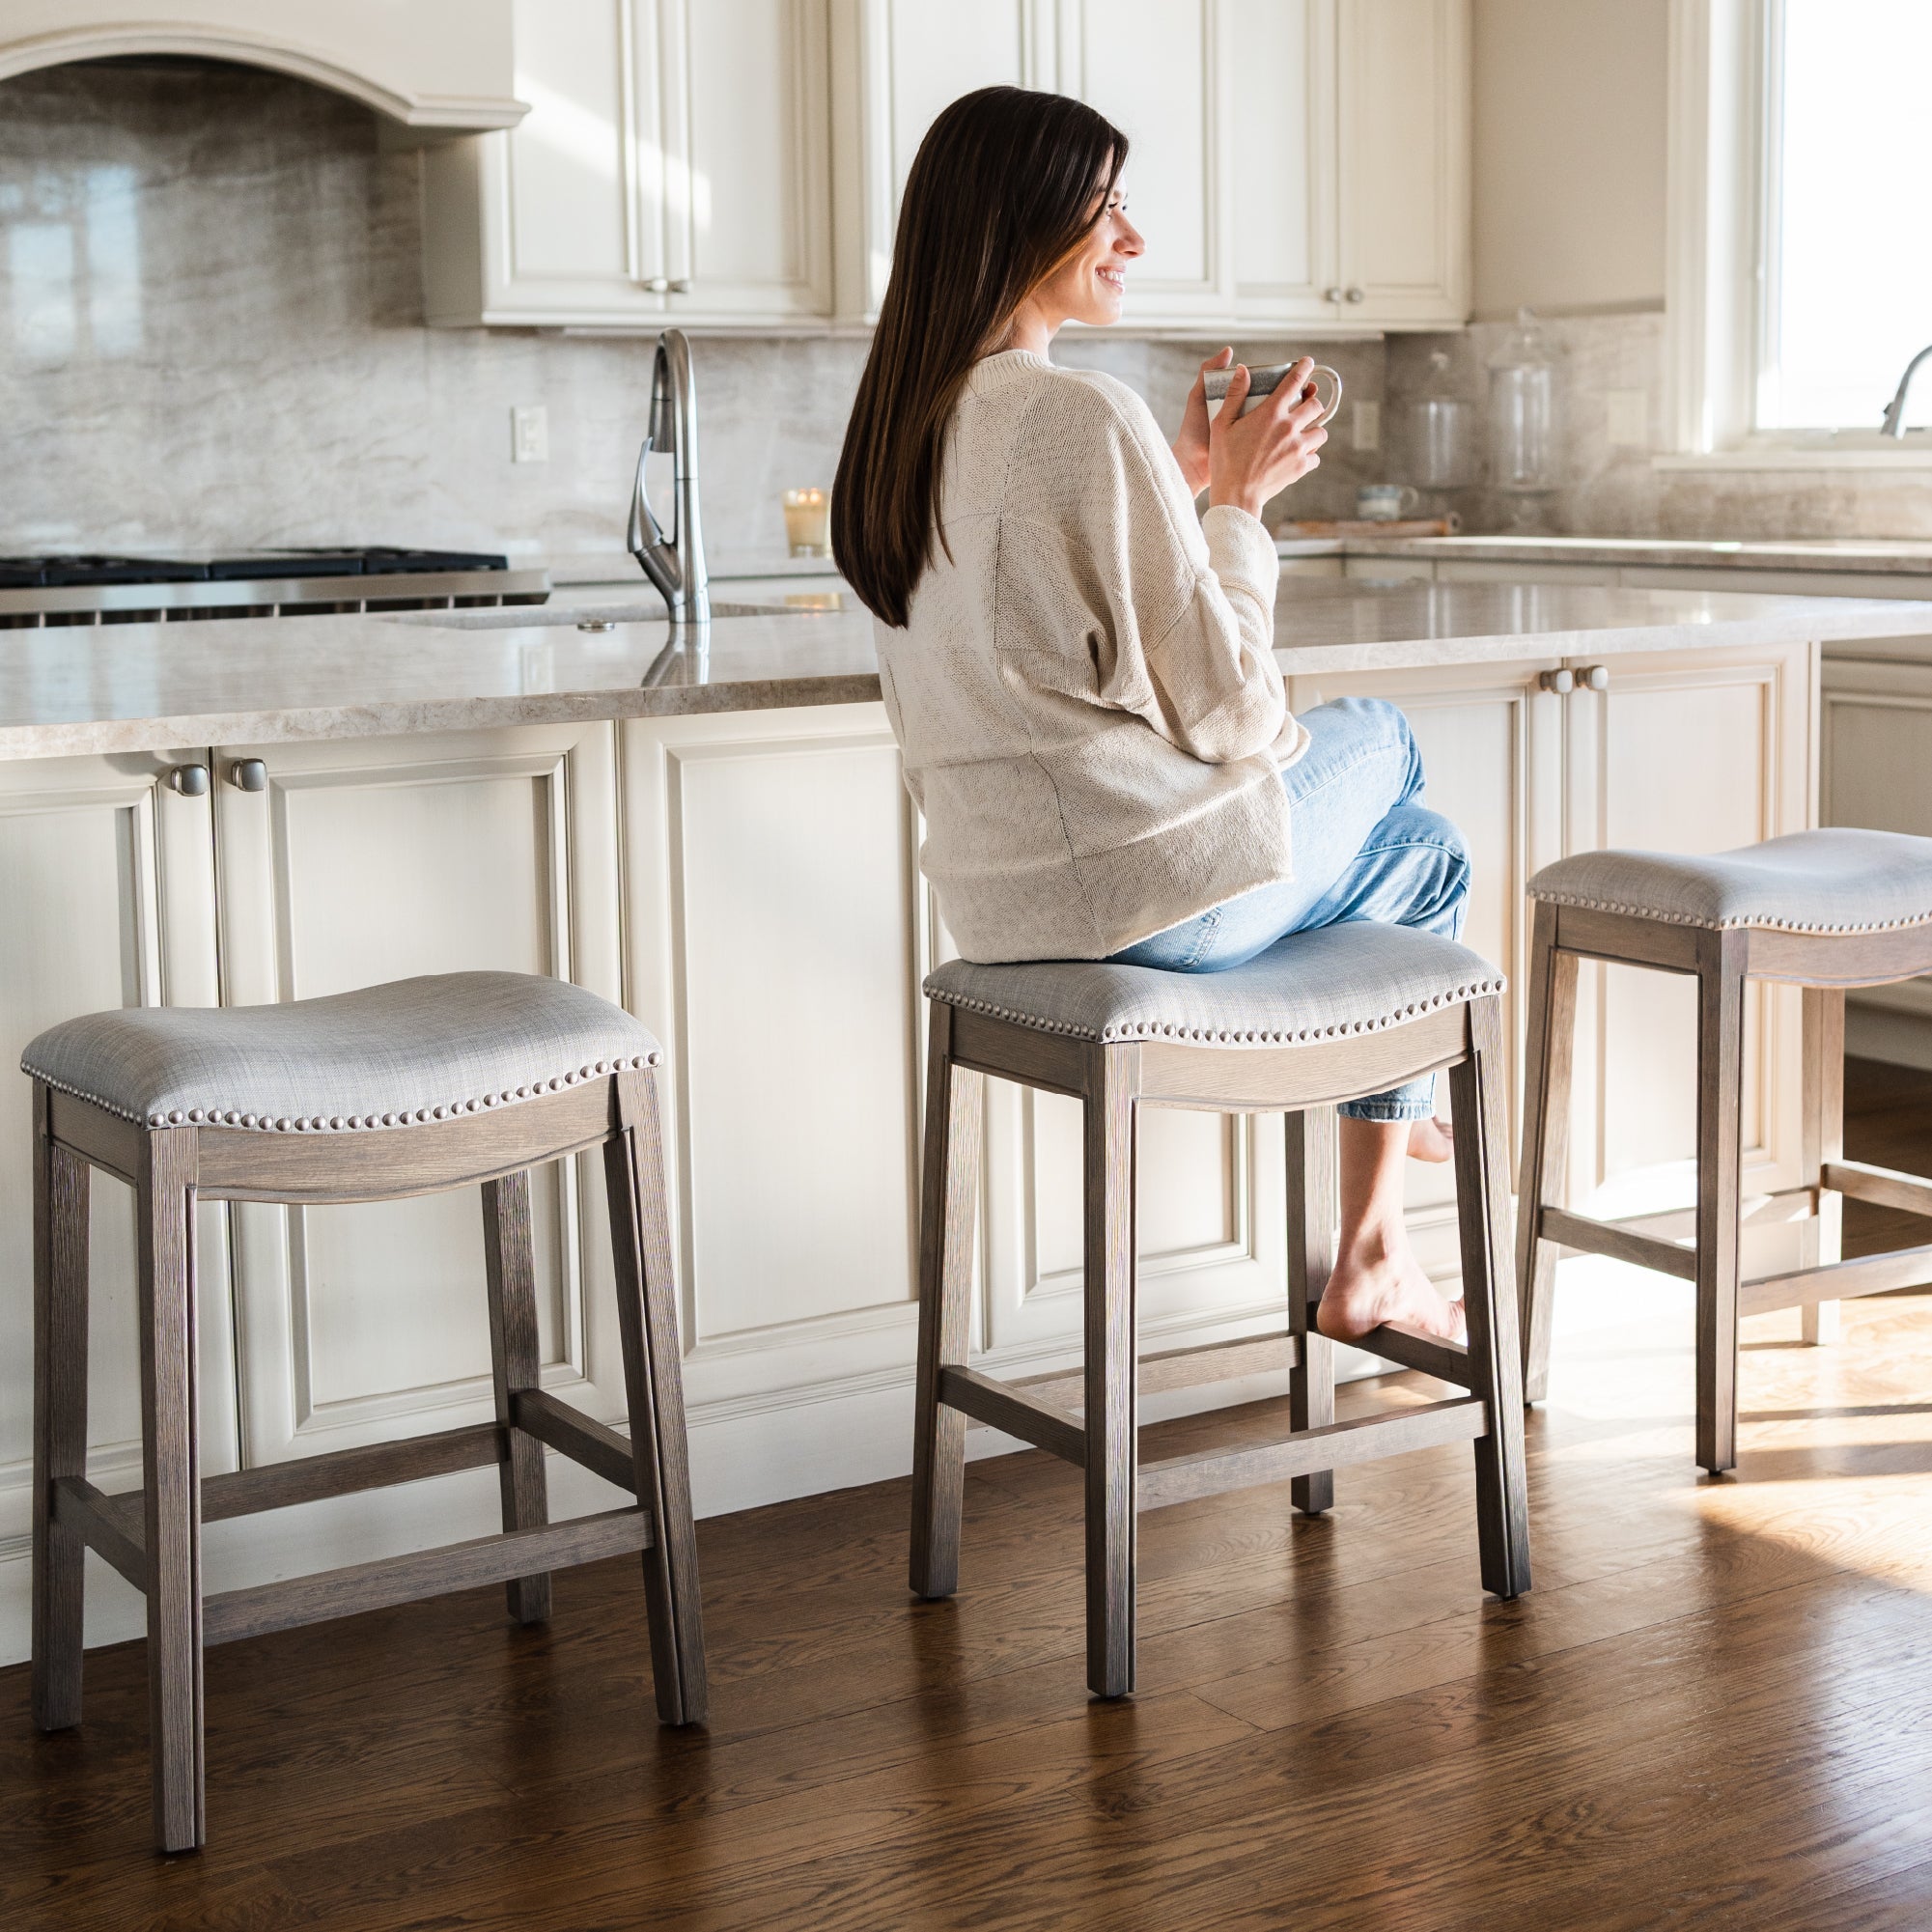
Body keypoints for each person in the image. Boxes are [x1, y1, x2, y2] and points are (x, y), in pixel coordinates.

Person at [832, 86, 1469, 1344]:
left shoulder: (909, 431)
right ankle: (1389, 1165)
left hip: (1011, 912)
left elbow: (1059, 626)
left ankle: (1385, 1193)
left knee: (1418, 852)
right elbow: (1236, 715)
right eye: (1105, 204)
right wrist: (1235, 505)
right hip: (1156, 903)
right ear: (1019, 219)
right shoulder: (1078, 412)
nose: (1130, 236)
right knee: (1385, 741)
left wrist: (1173, 485)